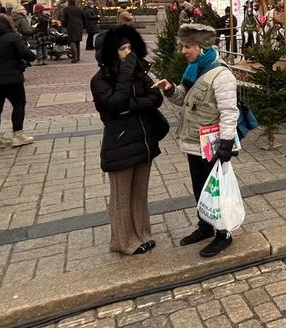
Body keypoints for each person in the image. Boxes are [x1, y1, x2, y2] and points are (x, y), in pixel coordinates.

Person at [153, 24, 238, 258]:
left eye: (187, 46)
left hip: (213, 146)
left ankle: (224, 233)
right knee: (200, 187)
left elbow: (229, 112)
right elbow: (182, 98)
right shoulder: (193, 69)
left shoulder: (221, 75)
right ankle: (205, 226)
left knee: (216, 191)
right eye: (182, 46)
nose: (183, 51)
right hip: (193, 142)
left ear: (201, 48)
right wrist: (169, 89)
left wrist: (226, 144)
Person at [91, 25, 168, 256]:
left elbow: (155, 97)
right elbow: (115, 104)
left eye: (129, 48)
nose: (128, 53)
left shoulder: (139, 71)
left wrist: (132, 105)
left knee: (139, 192)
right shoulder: (101, 79)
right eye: (122, 49)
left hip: (144, 139)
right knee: (121, 195)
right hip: (121, 142)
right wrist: (125, 75)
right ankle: (122, 240)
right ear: (112, 52)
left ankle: (142, 233)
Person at [0, 14, 36, 151]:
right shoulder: (13, 37)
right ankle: (18, 135)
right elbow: (27, 55)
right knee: (18, 105)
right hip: (11, 77)